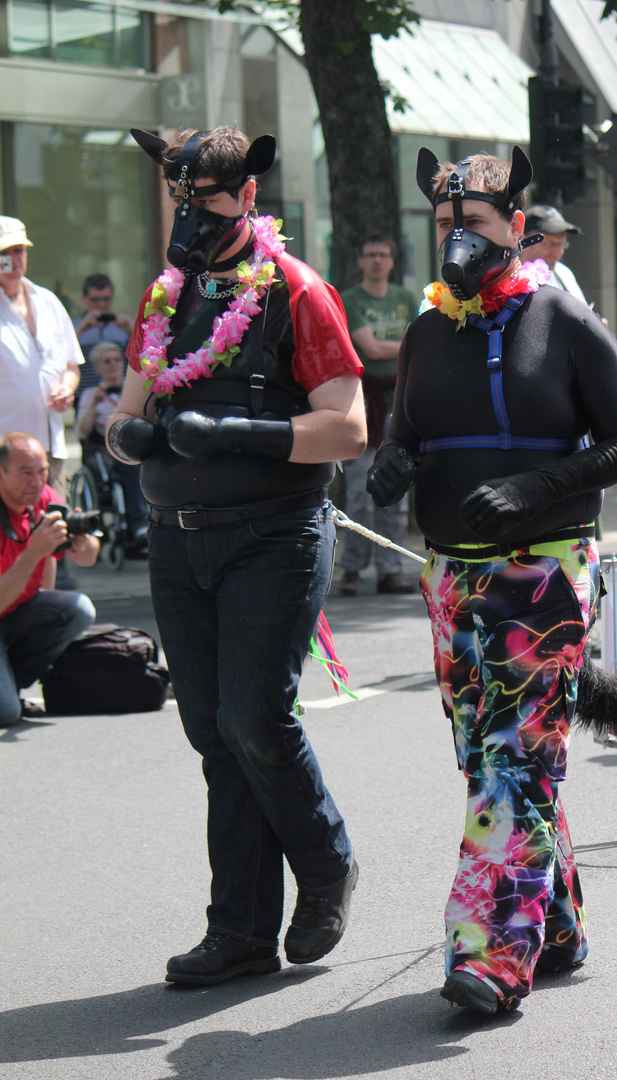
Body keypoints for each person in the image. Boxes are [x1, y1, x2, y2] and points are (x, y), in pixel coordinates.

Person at [367, 146, 617, 1015]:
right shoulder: (422, 332)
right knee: (485, 760)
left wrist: (535, 488)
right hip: (452, 578)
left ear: (515, 227)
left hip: (548, 573)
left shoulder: (565, 323)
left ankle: (489, 953)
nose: (458, 240)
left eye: (475, 225)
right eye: (446, 224)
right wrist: (394, 461)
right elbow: (407, 430)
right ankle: (555, 924)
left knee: (514, 761)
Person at [106, 125, 365, 986]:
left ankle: (325, 864)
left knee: (257, 719)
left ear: (247, 194)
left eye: (208, 196)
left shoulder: (297, 290)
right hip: (180, 542)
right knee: (215, 734)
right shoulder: (165, 293)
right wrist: (128, 434)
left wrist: (238, 430)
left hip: (275, 536)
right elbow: (122, 416)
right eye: (181, 196)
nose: (193, 212)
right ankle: (240, 931)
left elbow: (349, 426)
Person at [0, 431, 99, 727]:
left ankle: (8, 683)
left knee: (78, 609)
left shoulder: (44, 498)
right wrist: (34, 552)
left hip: (15, 615)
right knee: (6, 714)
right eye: (26, 472)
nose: (37, 481)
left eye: (42, 471)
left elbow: (88, 558)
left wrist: (83, 544)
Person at [339, 234, 417, 595]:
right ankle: (352, 570)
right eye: (370, 254)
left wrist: (399, 348)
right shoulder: (351, 299)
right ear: (360, 260)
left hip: (399, 402)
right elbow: (367, 346)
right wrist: (401, 345)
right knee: (359, 495)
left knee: (396, 496)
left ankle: (390, 570)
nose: (377, 261)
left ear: (391, 260)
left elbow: (417, 344)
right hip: (363, 404)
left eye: (383, 254)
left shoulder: (405, 298)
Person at [0, 217, 83, 497]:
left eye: (18, 251)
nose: (13, 260)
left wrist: (67, 389)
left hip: (50, 450)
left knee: (56, 529)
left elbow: (72, 365)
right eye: (3, 254)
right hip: (6, 455)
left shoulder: (48, 301)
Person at [75, 342, 149, 546]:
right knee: (130, 461)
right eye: (107, 361)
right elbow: (82, 431)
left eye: (117, 360)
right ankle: (138, 524)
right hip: (110, 450)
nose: (114, 365)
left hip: (140, 442)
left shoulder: (135, 387)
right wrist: (93, 405)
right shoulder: (90, 395)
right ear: (98, 367)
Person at [73, 273, 133, 406]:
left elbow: (142, 357)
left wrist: (131, 331)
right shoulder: (73, 326)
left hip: (120, 397)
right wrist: (81, 329)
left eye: (106, 299)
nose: (101, 305)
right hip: (84, 397)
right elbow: (64, 354)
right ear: (84, 298)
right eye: (95, 300)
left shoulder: (124, 325)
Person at [520, 204, 588, 304]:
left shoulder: (563, 273)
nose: (558, 253)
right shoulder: (506, 279)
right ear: (524, 241)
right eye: (550, 244)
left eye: (562, 244)